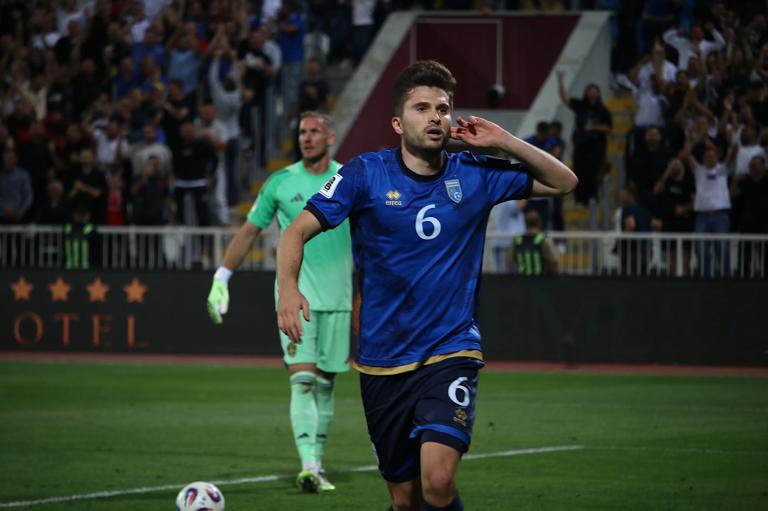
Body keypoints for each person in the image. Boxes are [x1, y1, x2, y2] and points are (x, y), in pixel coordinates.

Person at [276, 61, 577, 511]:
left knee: (438, 481)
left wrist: (503, 140)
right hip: (382, 362)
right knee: (405, 501)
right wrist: (288, 288)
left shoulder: (475, 172)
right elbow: (294, 232)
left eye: (444, 108)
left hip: (450, 351)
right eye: (422, 108)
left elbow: (565, 181)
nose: (436, 116)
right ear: (399, 122)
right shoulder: (364, 174)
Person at [206, 112, 351, 493]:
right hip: (294, 297)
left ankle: (317, 464)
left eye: (314, 131)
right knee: (302, 380)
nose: (306, 137)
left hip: (338, 298)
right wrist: (222, 277)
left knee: (325, 385)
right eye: (301, 131)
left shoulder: (349, 179)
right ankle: (308, 466)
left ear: (330, 137)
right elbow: (250, 230)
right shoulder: (281, 182)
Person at [557, 71, 612, 206]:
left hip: (596, 147)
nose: (592, 93)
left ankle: (592, 198)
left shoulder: (603, 110)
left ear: (598, 93)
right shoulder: (580, 105)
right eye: (590, 91)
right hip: (581, 145)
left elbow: (609, 128)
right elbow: (565, 98)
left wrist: (593, 127)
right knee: (578, 172)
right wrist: (560, 81)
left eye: (595, 91)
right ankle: (579, 199)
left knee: (593, 173)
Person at [509, 209, 559, 276]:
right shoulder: (545, 240)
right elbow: (554, 262)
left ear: (525, 223)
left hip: (522, 281)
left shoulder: (517, 239)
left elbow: (509, 261)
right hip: (541, 281)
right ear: (539, 222)